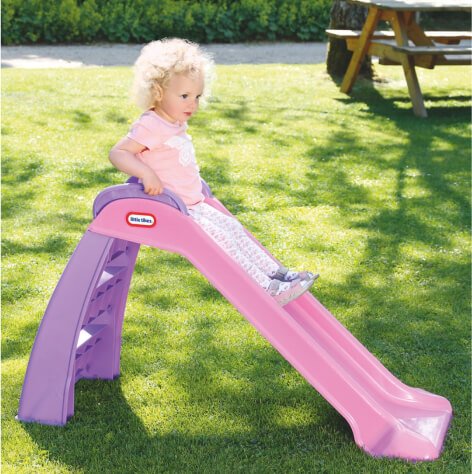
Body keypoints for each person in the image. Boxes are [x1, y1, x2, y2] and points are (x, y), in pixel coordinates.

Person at [109, 38, 318, 306]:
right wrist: (146, 174)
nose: (192, 104)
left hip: (194, 203)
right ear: (158, 92)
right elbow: (119, 152)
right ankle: (266, 288)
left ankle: (278, 274)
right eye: (184, 96)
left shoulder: (174, 123)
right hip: (178, 210)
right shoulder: (152, 124)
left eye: (197, 97)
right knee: (223, 242)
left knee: (233, 228)